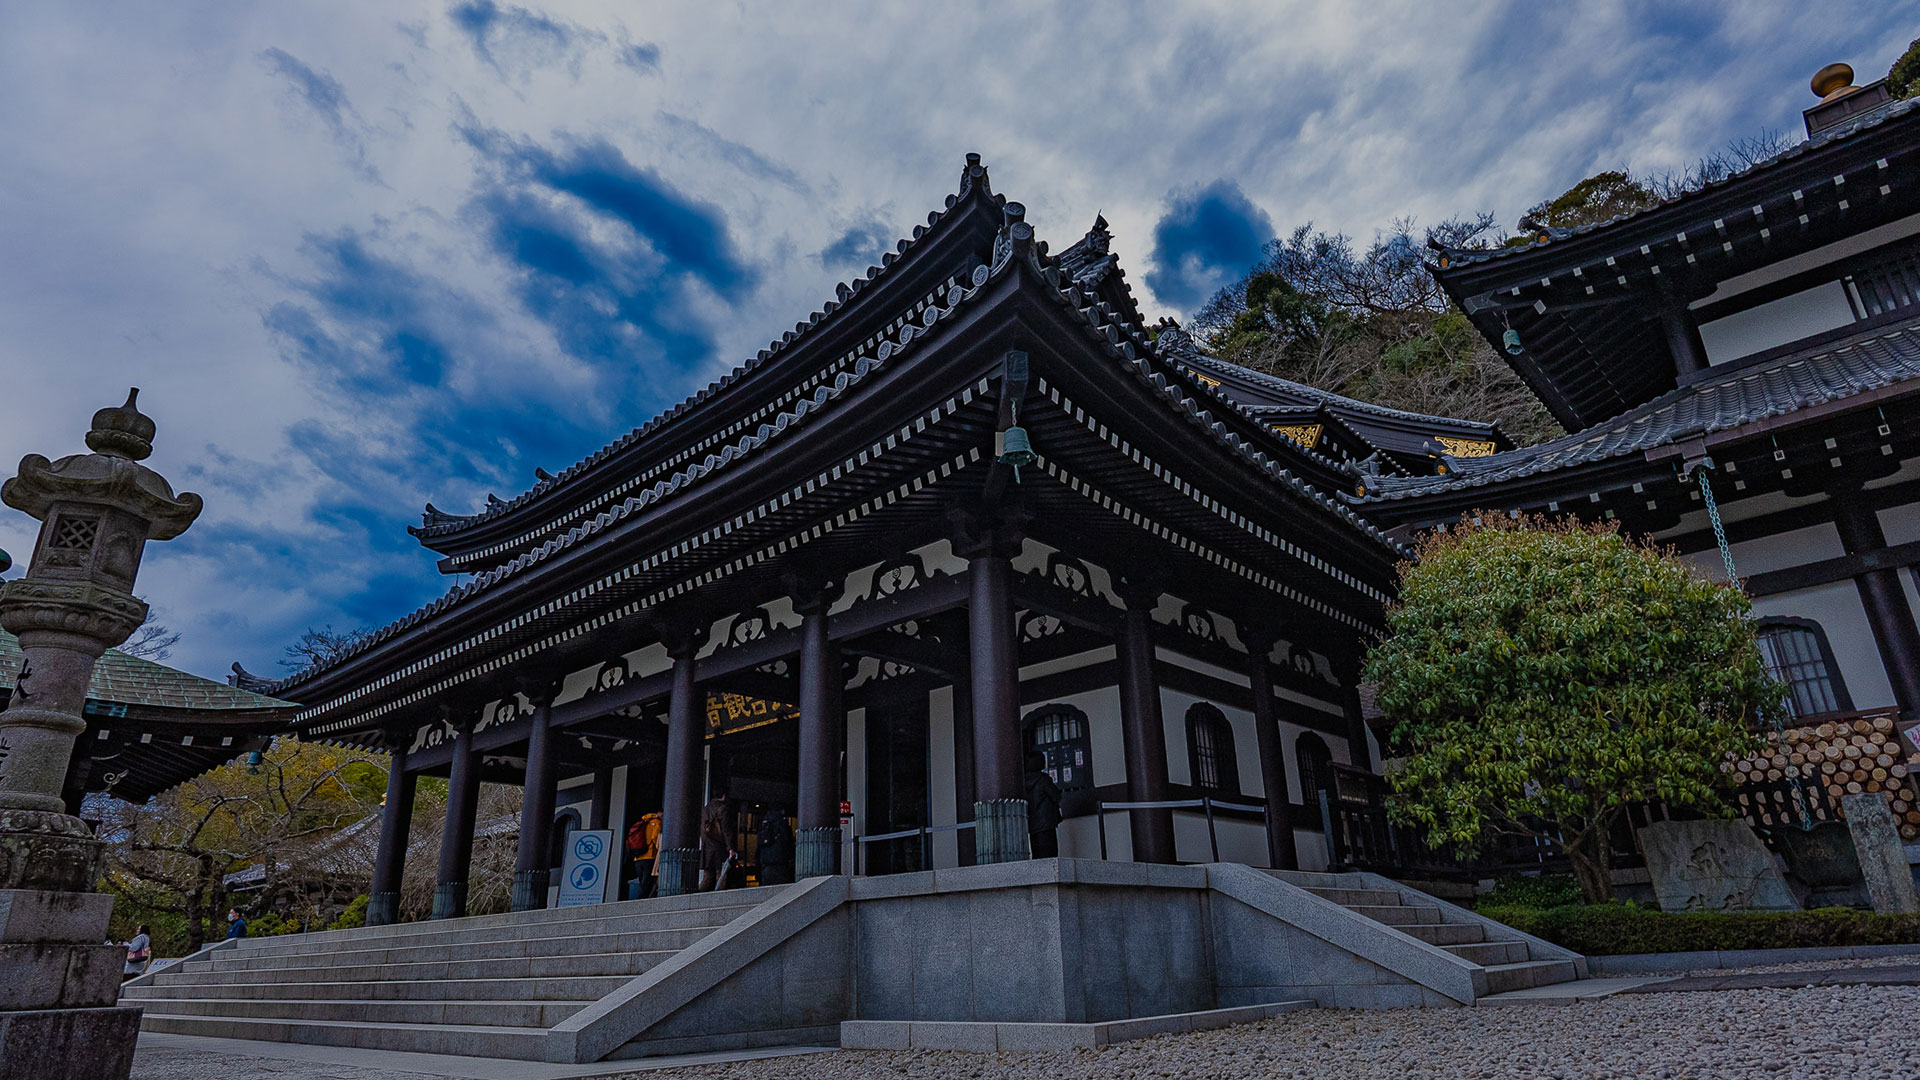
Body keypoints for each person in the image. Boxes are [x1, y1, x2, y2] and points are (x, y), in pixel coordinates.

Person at [1025, 750, 1063, 859]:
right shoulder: (1043, 779)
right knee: (1050, 855)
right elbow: (1056, 796)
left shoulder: (1023, 781)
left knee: (1037, 856)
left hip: (1033, 824)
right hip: (1046, 823)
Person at [698, 793, 735, 892]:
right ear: (724, 796)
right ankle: (719, 898)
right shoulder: (723, 809)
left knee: (707, 877)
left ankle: (697, 896)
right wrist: (730, 848)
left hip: (707, 847)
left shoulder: (706, 809)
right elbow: (726, 830)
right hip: (719, 847)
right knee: (721, 876)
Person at [626, 810, 662, 900]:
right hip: (649, 855)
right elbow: (655, 837)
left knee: (642, 880)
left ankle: (641, 898)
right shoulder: (657, 822)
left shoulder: (643, 822)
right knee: (646, 881)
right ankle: (641, 900)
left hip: (638, 856)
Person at [757, 807, 794, 886]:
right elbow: (788, 842)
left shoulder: (765, 824)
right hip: (780, 863)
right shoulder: (783, 824)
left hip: (765, 864)